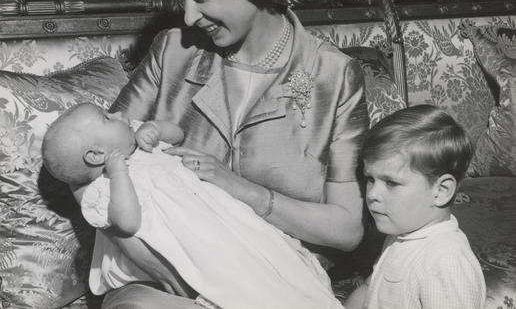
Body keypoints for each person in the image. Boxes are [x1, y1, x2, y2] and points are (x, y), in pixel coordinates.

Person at [102, 0, 370, 308]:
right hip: (166, 281)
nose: (188, 16)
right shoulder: (173, 52)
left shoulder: (333, 76)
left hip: (278, 284)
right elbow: (98, 156)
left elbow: (346, 228)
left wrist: (243, 191)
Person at [42, 102, 343, 309]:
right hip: (188, 242)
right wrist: (119, 174)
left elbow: (178, 134)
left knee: (266, 256)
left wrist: (155, 129)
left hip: (218, 220)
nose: (119, 112)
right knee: (236, 281)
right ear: (96, 155)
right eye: (107, 117)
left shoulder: (135, 140)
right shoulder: (102, 189)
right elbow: (128, 222)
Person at [345, 104, 486, 309]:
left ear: (442, 190)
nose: (372, 194)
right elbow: (370, 287)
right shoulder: (404, 233)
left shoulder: (445, 262)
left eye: (391, 183)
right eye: (370, 179)